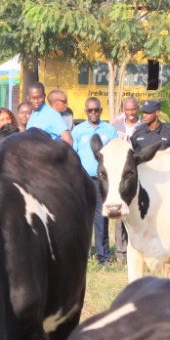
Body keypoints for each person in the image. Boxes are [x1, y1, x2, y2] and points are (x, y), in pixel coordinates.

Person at [71, 97, 119, 264]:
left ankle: (103, 256)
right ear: (85, 111)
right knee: (81, 218)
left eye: (96, 110)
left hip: (101, 182)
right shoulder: (77, 131)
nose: (93, 113)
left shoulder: (110, 130)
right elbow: (73, 154)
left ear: (101, 110)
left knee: (101, 218)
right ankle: (81, 255)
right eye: (90, 110)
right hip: (82, 180)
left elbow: (115, 154)